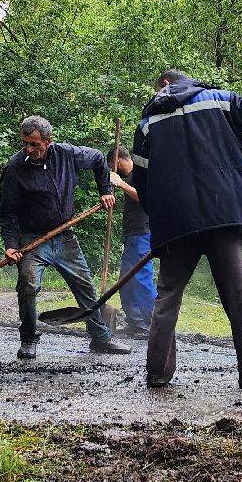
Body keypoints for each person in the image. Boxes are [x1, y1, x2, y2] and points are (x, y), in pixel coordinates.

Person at [130, 70, 242, 389]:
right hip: (224, 214)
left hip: (176, 223)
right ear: (185, 81)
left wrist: (162, 215)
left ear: (164, 86)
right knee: (239, 295)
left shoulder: (147, 126)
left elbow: (142, 186)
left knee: (167, 298)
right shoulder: (222, 101)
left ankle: (158, 374)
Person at [0, 115, 130, 360]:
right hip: (32, 239)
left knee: (85, 287)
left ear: (49, 141)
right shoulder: (15, 168)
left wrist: (106, 190)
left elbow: (99, 159)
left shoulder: (67, 154)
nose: (29, 149)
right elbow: (7, 213)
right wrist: (11, 245)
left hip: (64, 234)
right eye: (25, 143)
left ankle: (101, 338)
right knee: (27, 285)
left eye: (35, 144)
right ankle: (28, 339)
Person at [110, 144, 156, 338]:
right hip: (131, 236)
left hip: (143, 235)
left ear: (118, 160)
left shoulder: (142, 174)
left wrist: (120, 184)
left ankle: (154, 324)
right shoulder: (128, 178)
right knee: (126, 281)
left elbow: (145, 197)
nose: (112, 170)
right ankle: (136, 322)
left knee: (142, 280)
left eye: (112, 166)